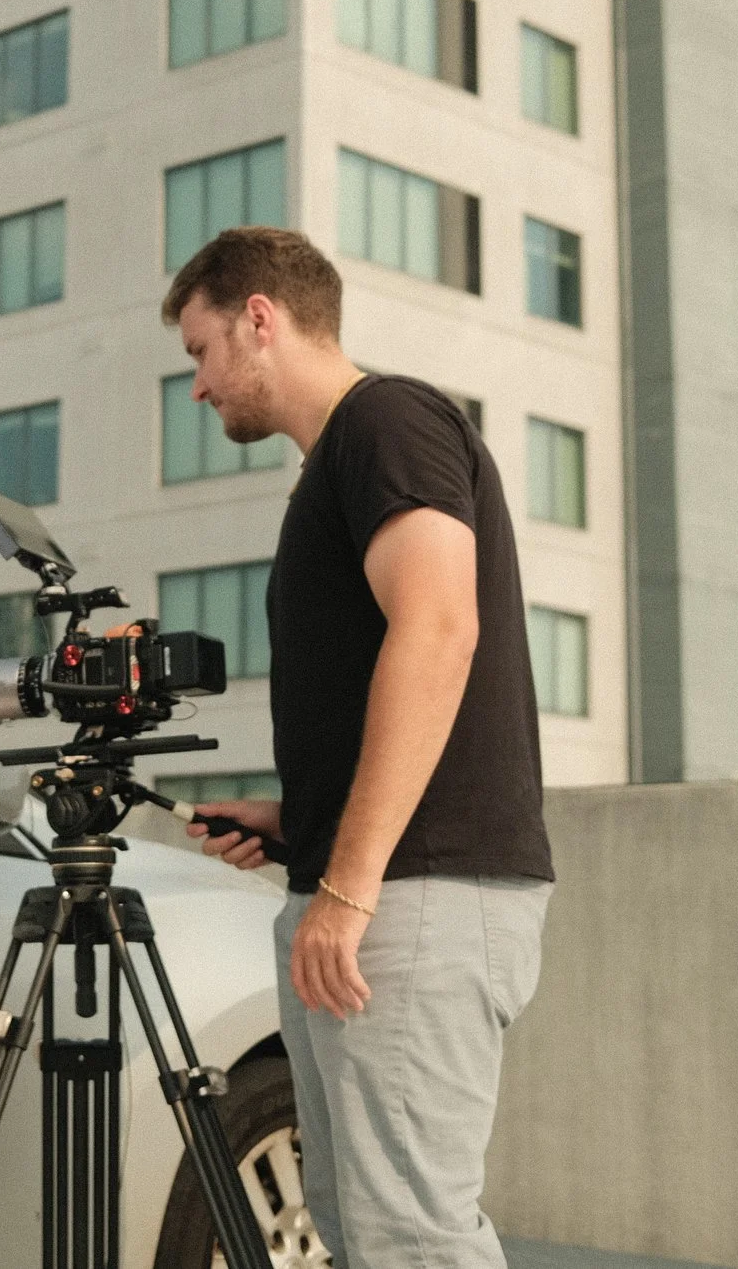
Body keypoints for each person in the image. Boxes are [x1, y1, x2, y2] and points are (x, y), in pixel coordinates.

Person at [163, 227, 555, 1269]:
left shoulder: (386, 420)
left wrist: (348, 883)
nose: (197, 386)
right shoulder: (332, 467)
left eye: (200, 350)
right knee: (358, 1232)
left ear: (259, 318)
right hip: (382, 887)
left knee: (412, 1239)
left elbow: (439, 626)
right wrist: (303, 823)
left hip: (414, 895)